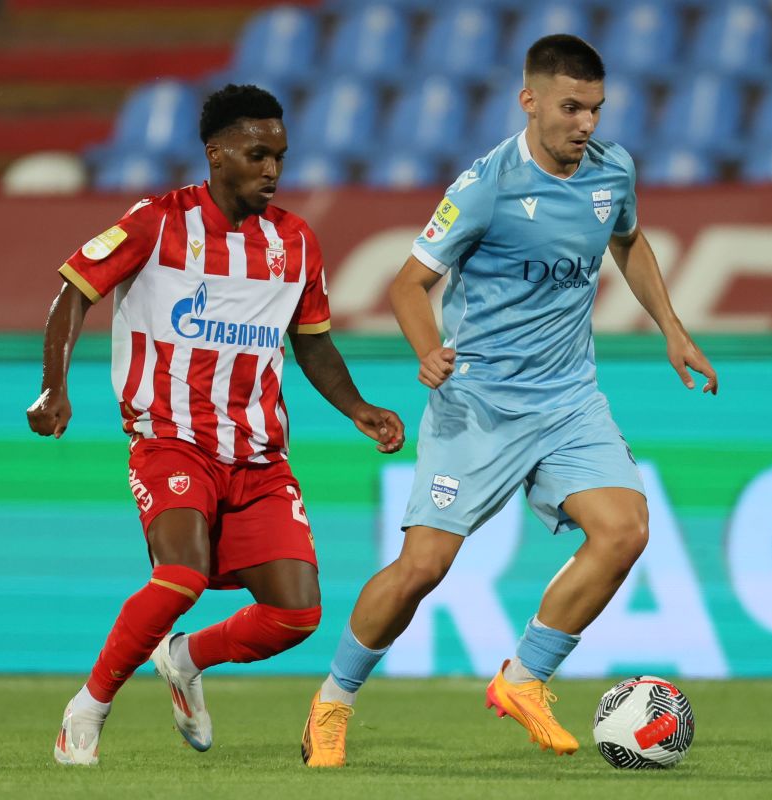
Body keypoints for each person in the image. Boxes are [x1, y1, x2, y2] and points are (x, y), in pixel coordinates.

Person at [301, 34, 716, 768]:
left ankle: (523, 679)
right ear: (529, 101)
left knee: (625, 529)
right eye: (570, 107)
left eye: (595, 108)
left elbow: (629, 241)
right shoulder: (485, 185)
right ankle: (332, 702)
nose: (585, 123)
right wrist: (428, 349)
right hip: (479, 406)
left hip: (567, 401)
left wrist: (672, 330)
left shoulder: (613, 170)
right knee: (422, 569)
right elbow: (406, 284)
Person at [27, 84, 405, 766]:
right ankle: (87, 708)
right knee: (182, 575)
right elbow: (74, 292)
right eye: (258, 155)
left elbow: (311, 342)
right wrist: (55, 387)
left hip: (258, 454)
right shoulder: (158, 223)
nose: (272, 170)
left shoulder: (295, 241)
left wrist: (359, 407)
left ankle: (185, 658)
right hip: (170, 439)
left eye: (281, 157)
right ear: (216, 154)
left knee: (296, 613)